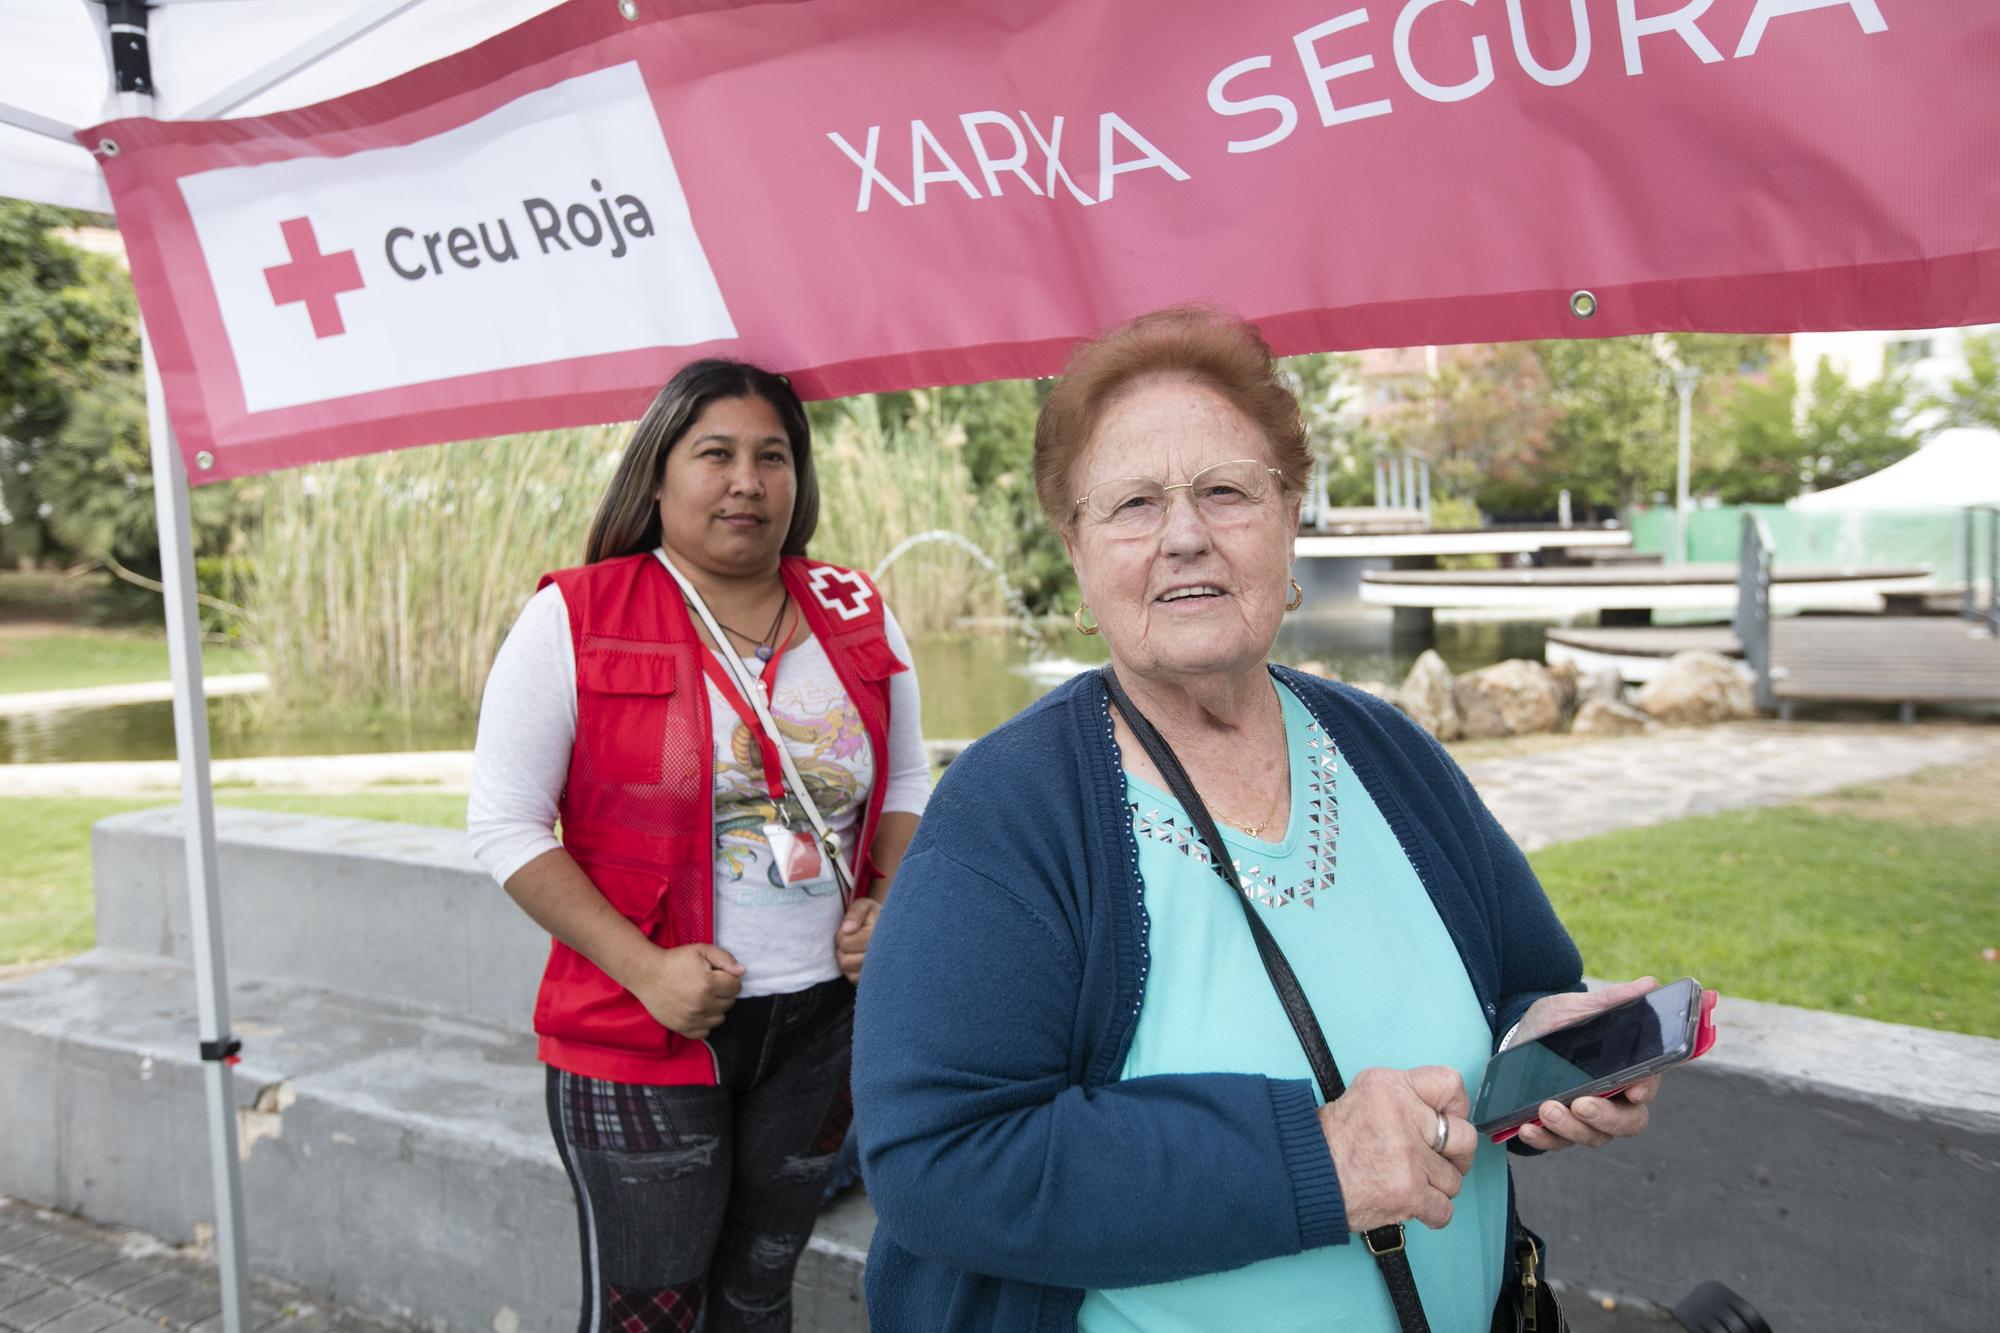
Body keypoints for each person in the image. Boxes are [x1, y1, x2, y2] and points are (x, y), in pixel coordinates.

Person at [853, 308, 1661, 1332]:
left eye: (1226, 490)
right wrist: (1314, 1161)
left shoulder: (1386, 752)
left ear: (1287, 517)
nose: (1184, 533)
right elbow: (939, 1159)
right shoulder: (1006, 816)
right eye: (1134, 503)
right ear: (1074, 548)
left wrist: (1548, 1060)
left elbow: (1519, 989)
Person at [468, 358, 929, 1332]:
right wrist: (645, 970)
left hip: (820, 1026)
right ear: (657, 472)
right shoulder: (575, 616)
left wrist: (886, 901)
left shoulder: (855, 611)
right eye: (713, 453)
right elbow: (504, 823)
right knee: (652, 1314)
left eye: (772, 456)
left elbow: (911, 782)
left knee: (758, 1300)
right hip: (644, 1029)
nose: (746, 481)